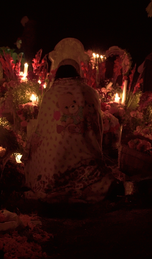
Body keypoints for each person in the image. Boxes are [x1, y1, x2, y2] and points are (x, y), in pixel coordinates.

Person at [23, 59, 120, 203]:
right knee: (101, 178)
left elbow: (41, 131)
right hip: (84, 163)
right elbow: (96, 128)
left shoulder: (50, 94)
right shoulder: (89, 92)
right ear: (77, 72)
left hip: (50, 168)